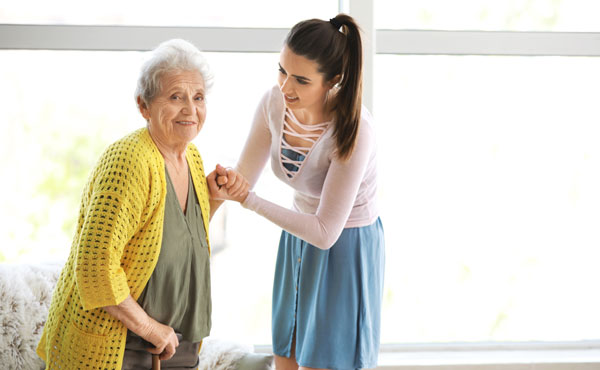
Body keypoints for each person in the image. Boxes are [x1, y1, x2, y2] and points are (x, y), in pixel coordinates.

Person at [37, 39, 248, 369]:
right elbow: (95, 265)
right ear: (144, 105)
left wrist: (212, 199)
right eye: (175, 97)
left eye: (198, 97)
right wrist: (151, 329)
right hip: (123, 348)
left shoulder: (191, 156)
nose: (190, 110)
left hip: (178, 346)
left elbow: (175, 239)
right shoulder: (129, 160)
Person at [208, 13, 385, 370]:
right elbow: (245, 177)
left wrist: (249, 200)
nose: (286, 87)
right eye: (281, 70)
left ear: (333, 80)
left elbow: (324, 233)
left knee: (322, 361)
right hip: (297, 238)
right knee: (286, 356)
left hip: (344, 247)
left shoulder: (354, 129)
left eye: (301, 80)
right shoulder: (273, 103)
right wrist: (225, 183)